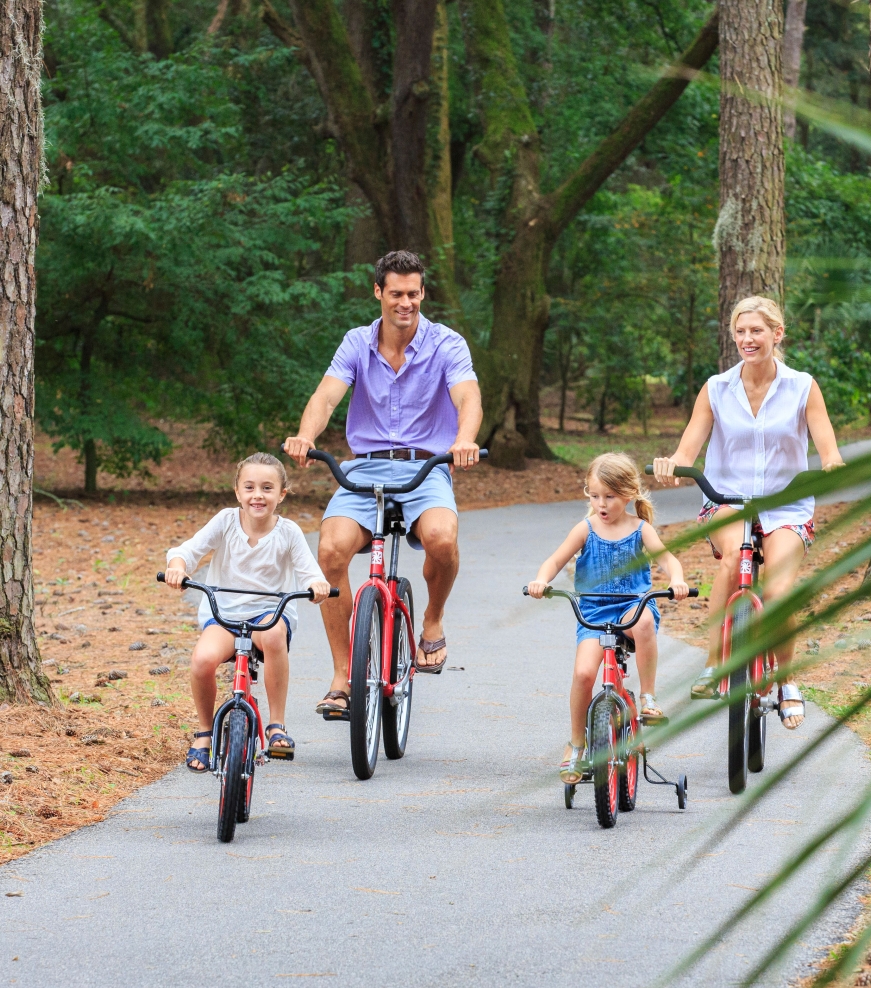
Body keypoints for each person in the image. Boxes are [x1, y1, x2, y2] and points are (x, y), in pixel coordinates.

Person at [283, 250, 482, 718]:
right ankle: (341, 675)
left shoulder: (447, 343)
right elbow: (326, 395)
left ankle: (431, 619)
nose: (406, 303)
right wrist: (305, 436)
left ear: (422, 293)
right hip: (365, 467)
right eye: (396, 293)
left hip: (426, 466)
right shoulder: (357, 342)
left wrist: (465, 439)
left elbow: (468, 397)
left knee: (441, 537)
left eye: (414, 293)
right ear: (378, 292)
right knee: (329, 553)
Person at [652, 296, 844, 730]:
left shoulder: (802, 386)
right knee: (729, 565)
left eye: (756, 331)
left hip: (787, 504)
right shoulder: (716, 388)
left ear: (777, 334)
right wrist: (672, 462)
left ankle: (787, 681)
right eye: (740, 331)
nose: (747, 339)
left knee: (777, 591)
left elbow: (828, 449)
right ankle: (713, 665)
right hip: (725, 498)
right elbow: (687, 450)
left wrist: (832, 465)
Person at [526, 453, 689, 785]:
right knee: (585, 673)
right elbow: (555, 560)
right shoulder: (585, 529)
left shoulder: (640, 529)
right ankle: (576, 744)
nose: (601, 503)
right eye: (594, 495)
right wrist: (541, 581)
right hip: (594, 611)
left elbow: (668, 560)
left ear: (628, 495)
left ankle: (647, 697)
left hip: (633, 603)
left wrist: (676, 579)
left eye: (610, 496)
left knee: (641, 622)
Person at [163, 453, 331, 770]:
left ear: (282, 494)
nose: (258, 495)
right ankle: (204, 734)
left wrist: (317, 586)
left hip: (269, 614)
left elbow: (311, 573)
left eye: (267, 488)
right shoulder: (226, 521)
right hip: (224, 614)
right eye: (250, 487)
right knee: (201, 660)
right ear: (238, 492)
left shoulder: (289, 532)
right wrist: (177, 568)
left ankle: (276, 725)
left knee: (273, 637)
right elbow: (188, 550)